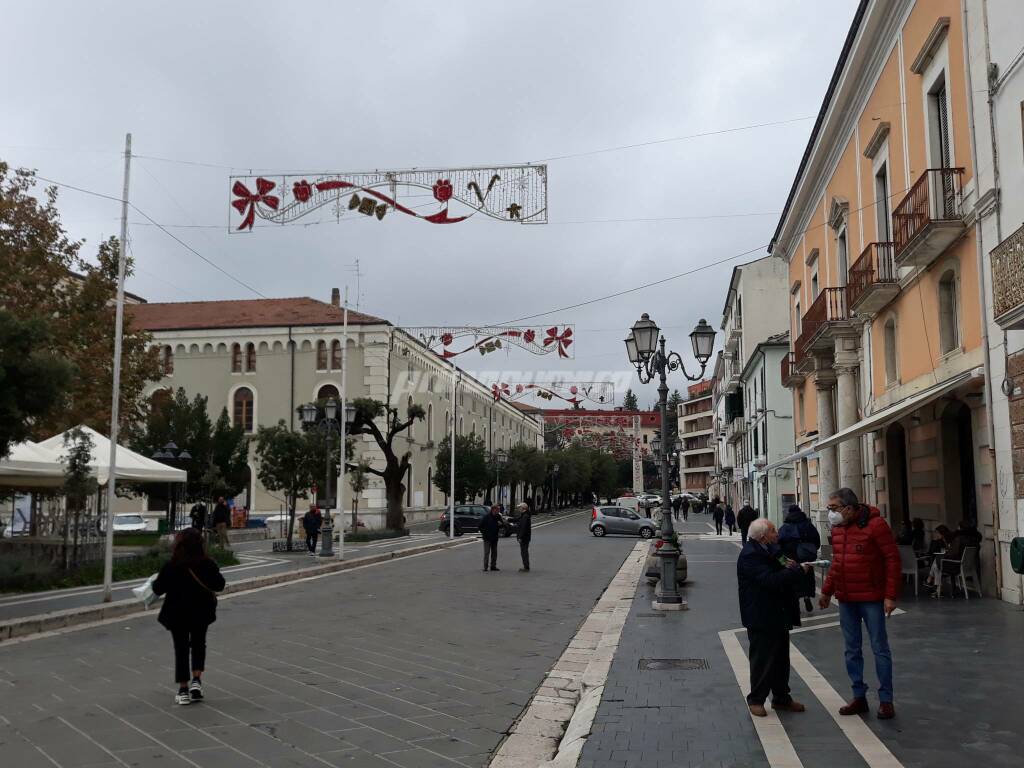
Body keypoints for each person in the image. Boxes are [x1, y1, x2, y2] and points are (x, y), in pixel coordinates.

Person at [819, 487, 900, 720]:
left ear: (848, 507)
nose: (831, 513)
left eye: (833, 508)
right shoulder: (837, 529)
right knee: (851, 650)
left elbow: (892, 559)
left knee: (879, 648)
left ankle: (886, 700)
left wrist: (890, 595)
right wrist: (826, 591)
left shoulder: (876, 525)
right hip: (846, 598)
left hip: (872, 598)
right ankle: (858, 696)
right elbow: (837, 563)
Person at [737, 518, 810, 717]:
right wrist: (796, 571)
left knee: (780, 659)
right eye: (772, 531)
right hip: (761, 615)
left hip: (778, 613)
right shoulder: (750, 555)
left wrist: (789, 563)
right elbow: (769, 580)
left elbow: (780, 563)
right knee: (762, 660)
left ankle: (782, 698)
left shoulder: (769, 549)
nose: (776, 534)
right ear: (763, 536)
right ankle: (756, 699)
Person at [153, 528, 226, 705]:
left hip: (177, 613)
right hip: (201, 612)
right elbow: (220, 585)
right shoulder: (207, 564)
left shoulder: (172, 565)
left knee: (181, 648)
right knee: (199, 643)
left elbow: (157, 589)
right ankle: (196, 681)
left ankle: (183, 689)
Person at [778, 504, 821, 612]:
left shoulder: (785, 527)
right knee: (807, 576)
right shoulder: (807, 524)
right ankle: (806, 596)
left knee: (793, 578)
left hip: (790, 556)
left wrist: (782, 558)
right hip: (805, 555)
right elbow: (816, 539)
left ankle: (796, 600)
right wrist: (813, 549)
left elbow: (779, 542)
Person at [480, 505, 501, 572]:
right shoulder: (486, 517)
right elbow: (480, 526)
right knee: (487, 552)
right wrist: (484, 533)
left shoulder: (498, 516)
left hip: (494, 537)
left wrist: (500, 524)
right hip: (487, 538)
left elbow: (502, 524)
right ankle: (485, 567)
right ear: (493, 510)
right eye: (497, 510)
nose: (498, 511)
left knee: (494, 553)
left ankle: (493, 566)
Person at [516, 502, 532, 572]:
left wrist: (520, 537)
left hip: (524, 538)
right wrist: (508, 519)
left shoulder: (525, 516)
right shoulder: (524, 515)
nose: (518, 509)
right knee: (524, 552)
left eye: (520, 507)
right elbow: (517, 519)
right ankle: (526, 565)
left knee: (524, 552)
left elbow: (523, 528)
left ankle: (526, 566)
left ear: (523, 508)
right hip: (525, 537)